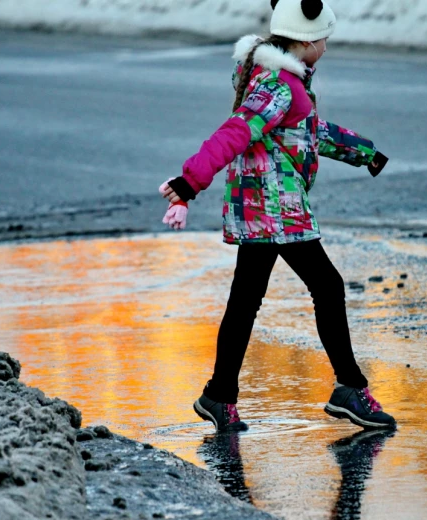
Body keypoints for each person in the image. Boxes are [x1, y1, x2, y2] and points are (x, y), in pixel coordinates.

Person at [160, 0, 396, 432]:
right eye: (323, 39)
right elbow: (236, 130)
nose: (326, 46)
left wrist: (363, 152)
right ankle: (349, 388)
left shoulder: (280, 81)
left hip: (262, 208)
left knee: (246, 300)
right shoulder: (280, 87)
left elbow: (310, 132)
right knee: (327, 286)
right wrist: (191, 181)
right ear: (306, 41)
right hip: (276, 209)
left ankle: (218, 395)